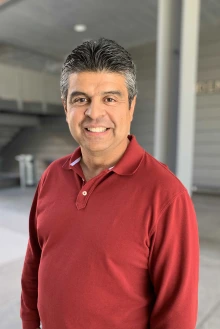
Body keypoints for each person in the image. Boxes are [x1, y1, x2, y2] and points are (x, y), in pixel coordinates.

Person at [20, 38, 199, 329]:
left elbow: (176, 312)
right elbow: (34, 265)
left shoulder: (166, 195)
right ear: (66, 107)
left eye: (110, 98)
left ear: (131, 106)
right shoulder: (52, 175)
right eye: (81, 99)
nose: (94, 113)